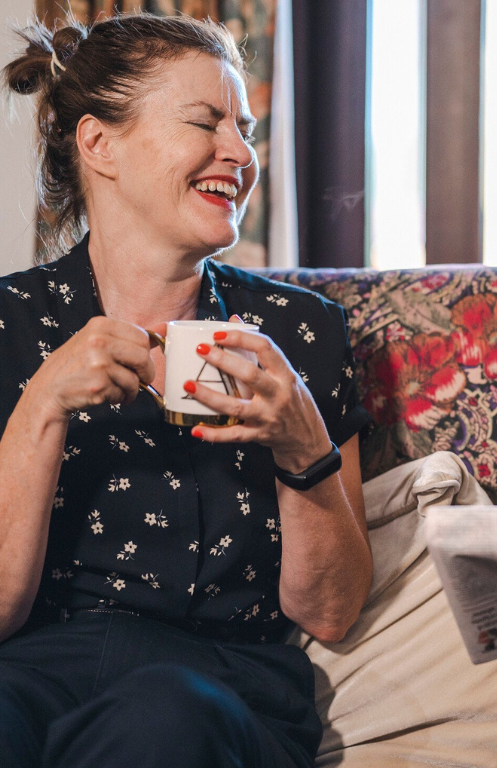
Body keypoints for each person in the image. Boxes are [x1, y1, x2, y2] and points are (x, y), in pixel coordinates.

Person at [0, 13, 372, 768]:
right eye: (207, 123)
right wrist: (40, 407)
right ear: (99, 144)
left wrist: (303, 443)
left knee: (163, 718)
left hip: (225, 690)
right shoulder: (10, 324)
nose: (238, 153)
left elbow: (330, 615)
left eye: (246, 129)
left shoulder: (302, 333)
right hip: (33, 675)